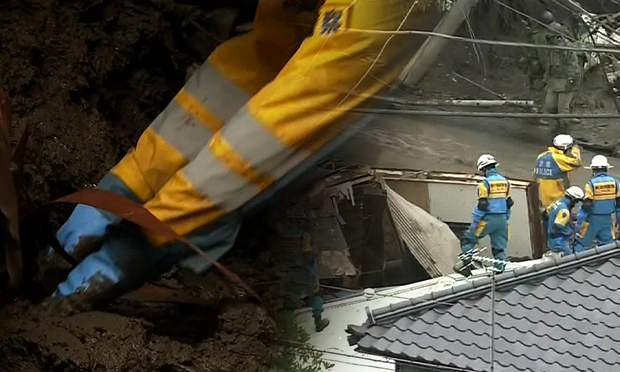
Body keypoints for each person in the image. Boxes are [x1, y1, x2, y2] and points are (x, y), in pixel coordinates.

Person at [38, 0, 436, 314]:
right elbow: (261, 59)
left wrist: (148, 240)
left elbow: (270, 135)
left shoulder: (376, 15)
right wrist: (123, 188)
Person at [453, 154, 513, 276]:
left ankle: (466, 266)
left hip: (487, 219)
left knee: (467, 240)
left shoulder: (484, 184)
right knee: (499, 247)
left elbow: (482, 206)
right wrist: (506, 218)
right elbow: (509, 203)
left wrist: (475, 223)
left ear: (484, 169)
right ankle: (499, 271)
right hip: (502, 220)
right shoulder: (505, 182)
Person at [574, 155, 620, 251]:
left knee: (582, 244)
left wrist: (579, 224)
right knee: (608, 247)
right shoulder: (615, 183)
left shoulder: (591, 184)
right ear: (606, 169)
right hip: (607, 220)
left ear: (593, 170)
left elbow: (586, 206)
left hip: (591, 220)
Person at [541, 21, 585, 129]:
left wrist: (570, 80)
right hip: (554, 80)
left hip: (566, 81)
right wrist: (546, 78)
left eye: (551, 38)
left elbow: (573, 66)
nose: (549, 40)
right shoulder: (551, 49)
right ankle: (556, 126)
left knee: (562, 110)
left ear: (558, 37)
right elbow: (549, 63)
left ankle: (563, 131)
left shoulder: (568, 49)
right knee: (550, 106)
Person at [533, 133, 583, 209]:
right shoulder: (559, 159)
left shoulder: (541, 156)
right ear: (565, 148)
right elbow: (577, 162)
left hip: (542, 199)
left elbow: (534, 176)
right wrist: (575, 148)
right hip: (556, 200)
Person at [544, 186, 584, 256]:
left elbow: (546, 213)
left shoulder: (557, 203)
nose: (575, 204)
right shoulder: (564, 211)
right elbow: (558, 225)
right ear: (573, 199)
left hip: (552, 239)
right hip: (560, 242)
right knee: (569, 260)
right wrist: (571, 232)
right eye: (576, 201)